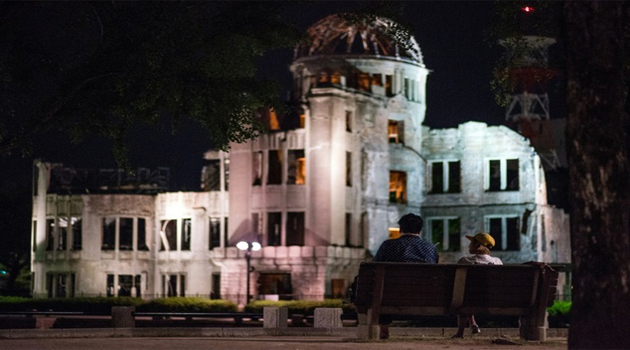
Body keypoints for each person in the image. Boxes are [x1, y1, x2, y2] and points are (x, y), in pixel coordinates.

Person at [372, 213, 439, 339]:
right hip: (423, 295)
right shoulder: (430, 248)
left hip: (391, 296)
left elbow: (374, 268)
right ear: (420, 230)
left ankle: (384, 329)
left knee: (382, 288)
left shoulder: (388, 245)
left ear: (400, 229)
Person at [452, 232, 503, 338]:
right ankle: (473, 324)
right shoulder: (498, 262)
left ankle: (460, 333)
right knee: (470, 293)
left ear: (478, 245)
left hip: (468, 299)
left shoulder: (465, 261)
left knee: (465, 294)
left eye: (471, 242)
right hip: (492, 299)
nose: (469, 245)